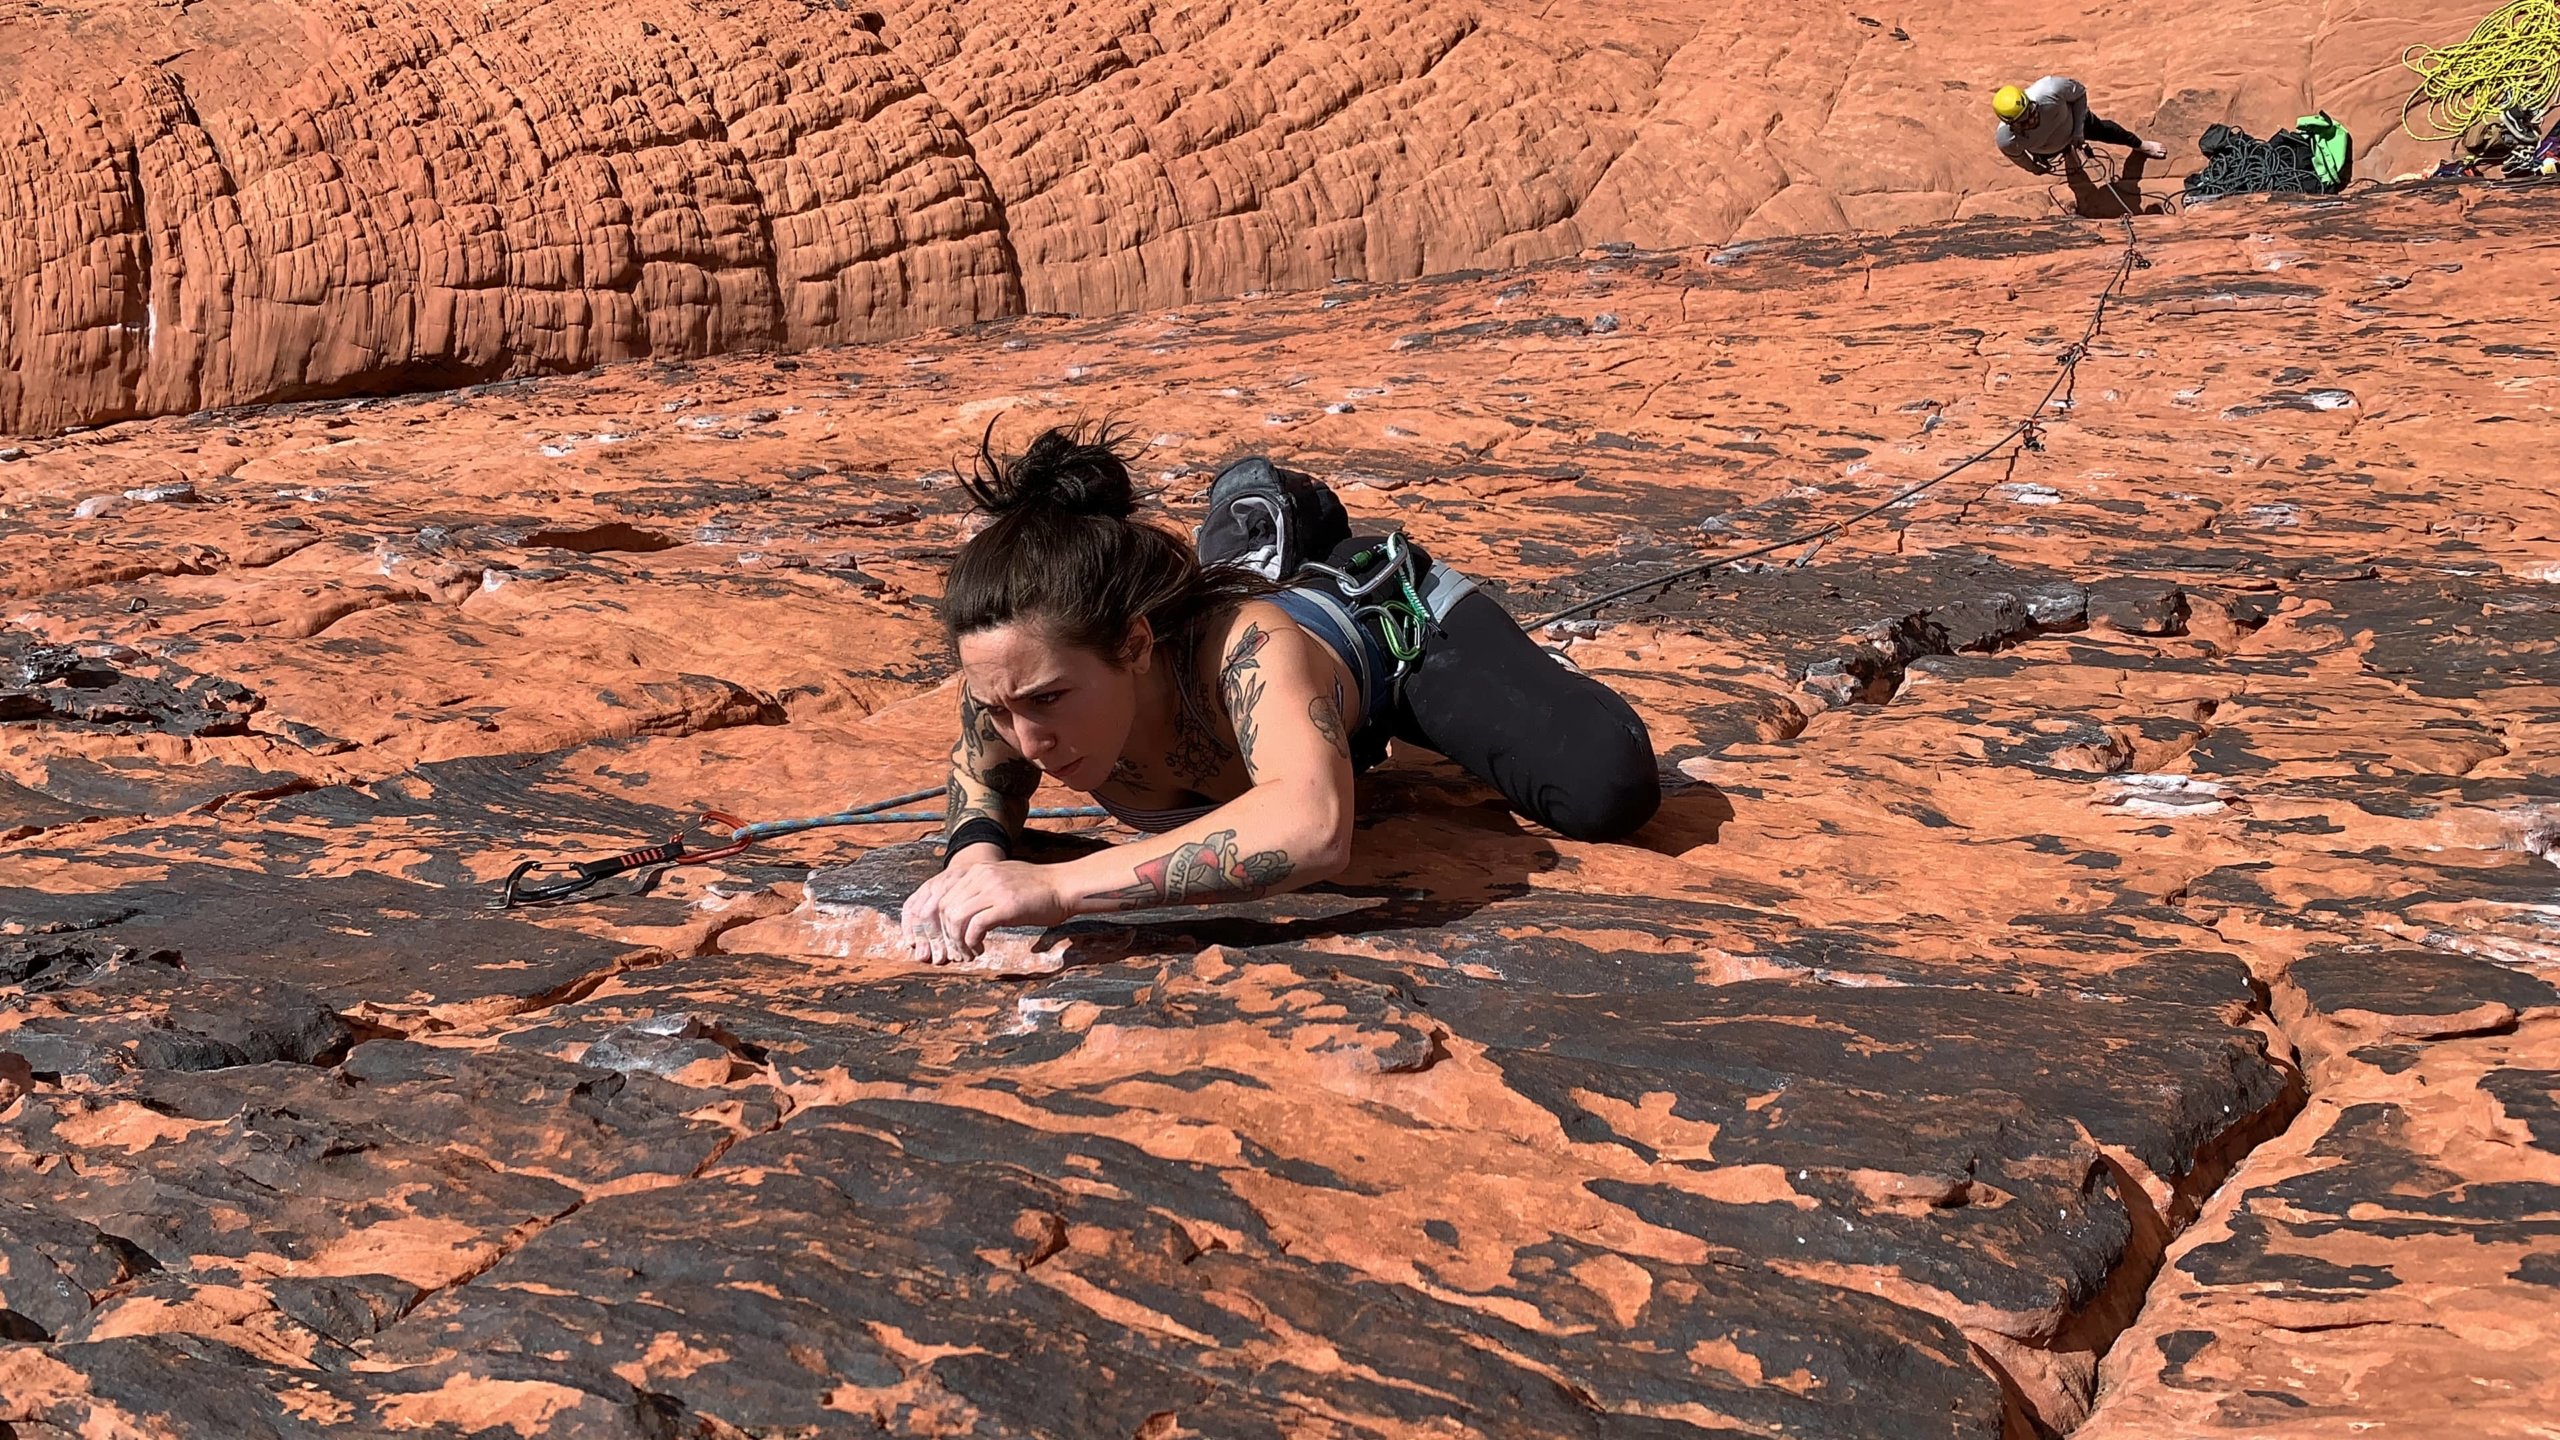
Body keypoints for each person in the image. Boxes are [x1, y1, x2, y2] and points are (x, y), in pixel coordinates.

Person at [897, 423, 1661, 963]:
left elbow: (1314, 827)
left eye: (1048, 702)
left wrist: (1059, 888)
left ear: (1132, 646)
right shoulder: (1015, 674)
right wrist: (975, 855)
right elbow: (982, 779)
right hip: (1266, 634)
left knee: (1604, 787)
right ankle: (1253, 545)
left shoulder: (1246, 647)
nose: (1027, 738)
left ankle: (1295, 542)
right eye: (1000, 707)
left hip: (1384, 635)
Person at [1993, 77, 2168, 174]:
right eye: (2023, 121)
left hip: (2075, 124)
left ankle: (2140, 145)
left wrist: (2078, 131)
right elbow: (2018, 156)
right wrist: (2034, 168)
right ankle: (2069, 153)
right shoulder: (2007, 140)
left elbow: (2080, 94)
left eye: (2031, 111)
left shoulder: (2051, 89)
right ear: (2010, 124)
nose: (2032, 120)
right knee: (2056, 154)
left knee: (2110, 131)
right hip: (2046, 149)